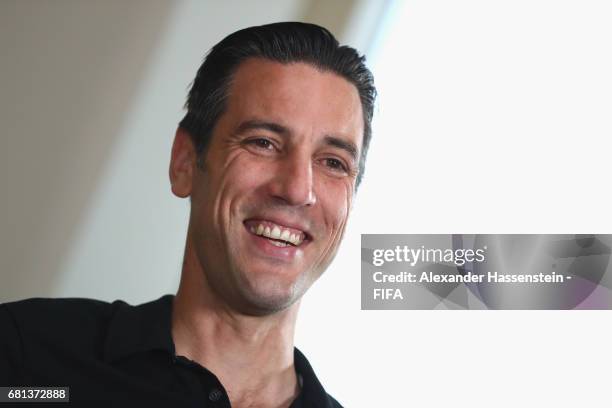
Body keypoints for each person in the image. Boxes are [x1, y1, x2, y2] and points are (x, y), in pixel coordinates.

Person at [0, 22, 376, 407]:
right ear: (184, 162)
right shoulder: (25, 360)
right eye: (263, 142)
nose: (298, 189)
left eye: (333, 162)